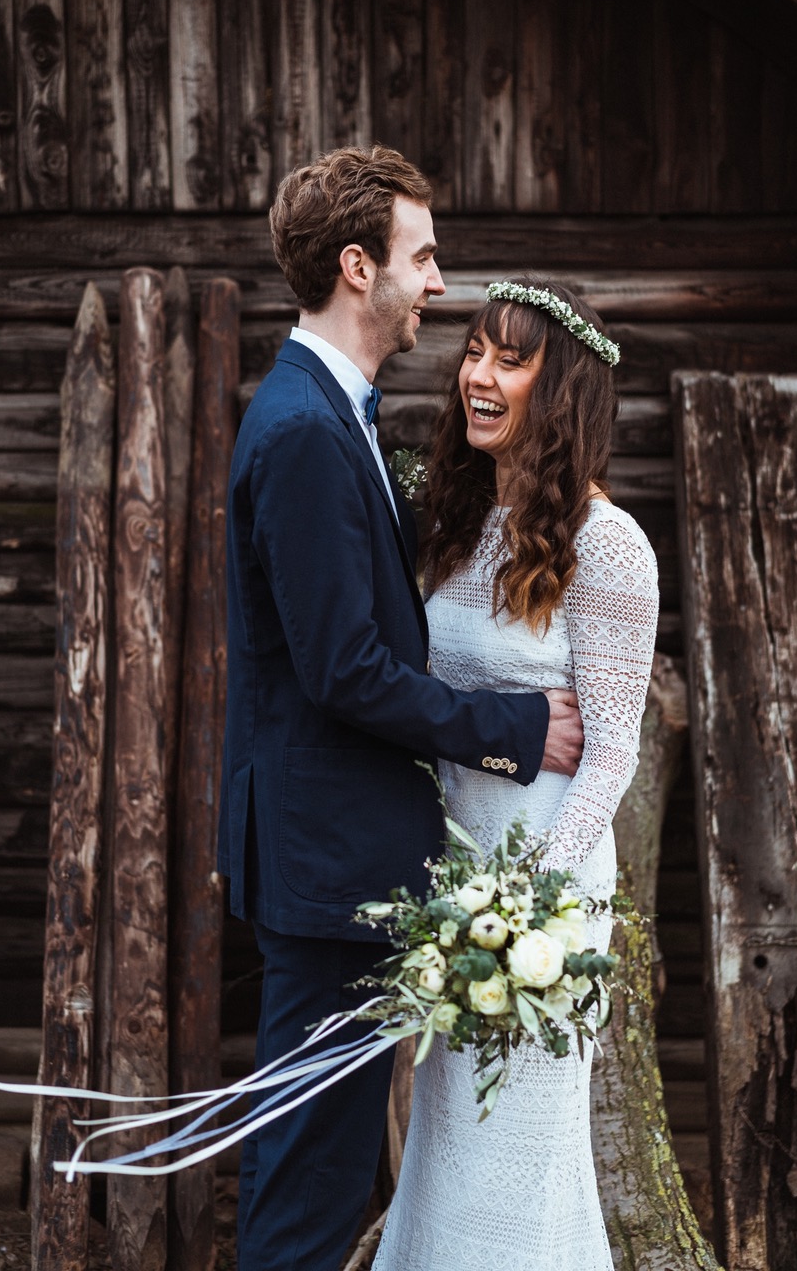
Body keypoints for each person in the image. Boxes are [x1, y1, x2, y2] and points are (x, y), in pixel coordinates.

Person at [217, 151, 584, 1271]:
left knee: (323, 1166)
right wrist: (519, 730)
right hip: (328, 867)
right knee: (309, 1179)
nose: (438, 281)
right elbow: (345, 669)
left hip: (339, 859)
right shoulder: (302, 434)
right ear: (357, 264)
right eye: (422, 257)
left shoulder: (333, 415)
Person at [371, 278, 659, 1271]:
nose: (479, 378)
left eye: (510, 359)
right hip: (455, 886)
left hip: (541, 901)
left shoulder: (606, 545)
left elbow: (614, 746)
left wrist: (528, 893)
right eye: (474, 353)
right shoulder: (453, 523)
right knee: (444, 1146)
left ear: (562, 387)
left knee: (520, 1150)